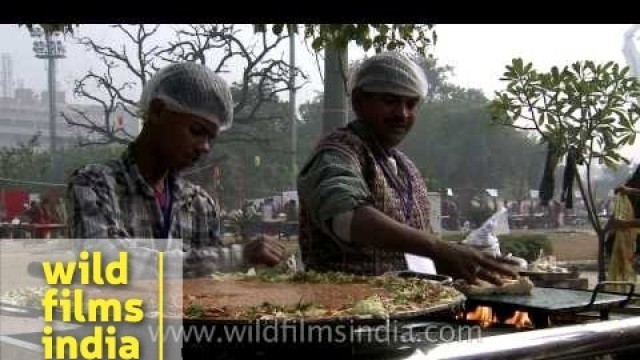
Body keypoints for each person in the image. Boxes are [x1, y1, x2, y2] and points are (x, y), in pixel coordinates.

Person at [297, 52, 516, 284]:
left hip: (411, 309)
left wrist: (460, 256)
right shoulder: (337, 152)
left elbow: (422, 247)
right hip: (345, 310)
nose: (402, 114)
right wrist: (437, 248)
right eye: (390, 101)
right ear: (358, 101)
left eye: (410, 104)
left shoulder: (406, 167)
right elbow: (344, 216)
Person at [67, 62, 286, 277]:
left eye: (211, 137)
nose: (205, 147)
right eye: (196, 130)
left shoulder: (200, 205)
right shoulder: (95, 184)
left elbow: (212, 286)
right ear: (157, 111)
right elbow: (104, 263)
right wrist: (234, 257)